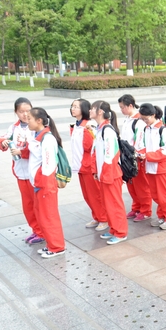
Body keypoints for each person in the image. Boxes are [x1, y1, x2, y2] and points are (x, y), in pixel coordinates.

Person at [0, 97, 43, 244]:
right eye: (21, 111)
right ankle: (35, 230)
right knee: (27, 205)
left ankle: (42, 231)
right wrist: (3, 142)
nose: (25, 114)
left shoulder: (35, 126)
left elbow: (38, 148)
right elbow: (1, 140)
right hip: (21, 173)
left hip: (34, 173)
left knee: (38, 205)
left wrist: (22, 152)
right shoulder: (14, 128)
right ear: (16, 112)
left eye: (28, 111)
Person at [27, 107, 65, 258]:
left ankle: (57, 247)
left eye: (29, 118)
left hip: (45, 185)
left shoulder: (47, 139)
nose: (27, 121)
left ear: (39, 121)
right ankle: (51, 244)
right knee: (43, 216)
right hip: (39, 184)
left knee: (49, 216)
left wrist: (41, 182)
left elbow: (49, 166)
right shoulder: (38, 136)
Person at [91, 100, 128, 245]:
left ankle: (121, 232)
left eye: (92, 108)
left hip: (111, 174)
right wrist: (97, 171)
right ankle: (114, 229)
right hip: (104, 174)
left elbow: (110, 155)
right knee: (108, 204)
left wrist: (105, 174)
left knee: (115, 204)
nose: (90, 111)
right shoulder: (100, 129)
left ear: (100, 111)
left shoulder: (108, 130)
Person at [138, 104, 166, 230]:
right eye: (143, 119)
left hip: (161, 168)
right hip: (150, 166)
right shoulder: (146, 129)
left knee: (164, 195)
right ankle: (162, 216)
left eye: (146, 118)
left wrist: (148, 155)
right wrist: (141, 153)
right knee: (155, 194)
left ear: (153, 115)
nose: (145, 121)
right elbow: (143, 145)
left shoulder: (163, 130)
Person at [69, 98, 107, 231]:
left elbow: (91, 147)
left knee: (95, 194)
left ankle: (103, 218)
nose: (73, 109)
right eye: (72, 106)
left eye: (76, 107)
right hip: (80, 166)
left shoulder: (88, 126)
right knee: (87, 195)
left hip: (88, 166)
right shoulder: (77, 126)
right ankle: (96, 216)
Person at [118, 94, 152, 222]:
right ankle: (136, 207)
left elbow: (140, 141)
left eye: (122, 107)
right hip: (127, 157)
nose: (121, 110)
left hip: (136, 158)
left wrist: (136, 155)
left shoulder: (139, 121)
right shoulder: (127, 119)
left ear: (130, 106)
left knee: (141, 186)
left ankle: (146, 210)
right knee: (131, 185)